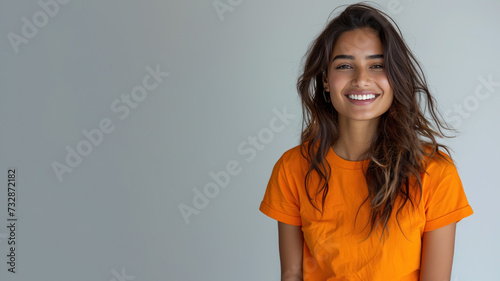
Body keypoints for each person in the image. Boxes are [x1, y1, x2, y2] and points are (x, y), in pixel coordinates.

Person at [259, 3, 473, 281]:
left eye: (377, 65)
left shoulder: (435, 172)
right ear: (326, 80)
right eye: (345, 65)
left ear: (396, 77)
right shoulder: (292, 168)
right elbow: (291, 275)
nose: (361, 80)